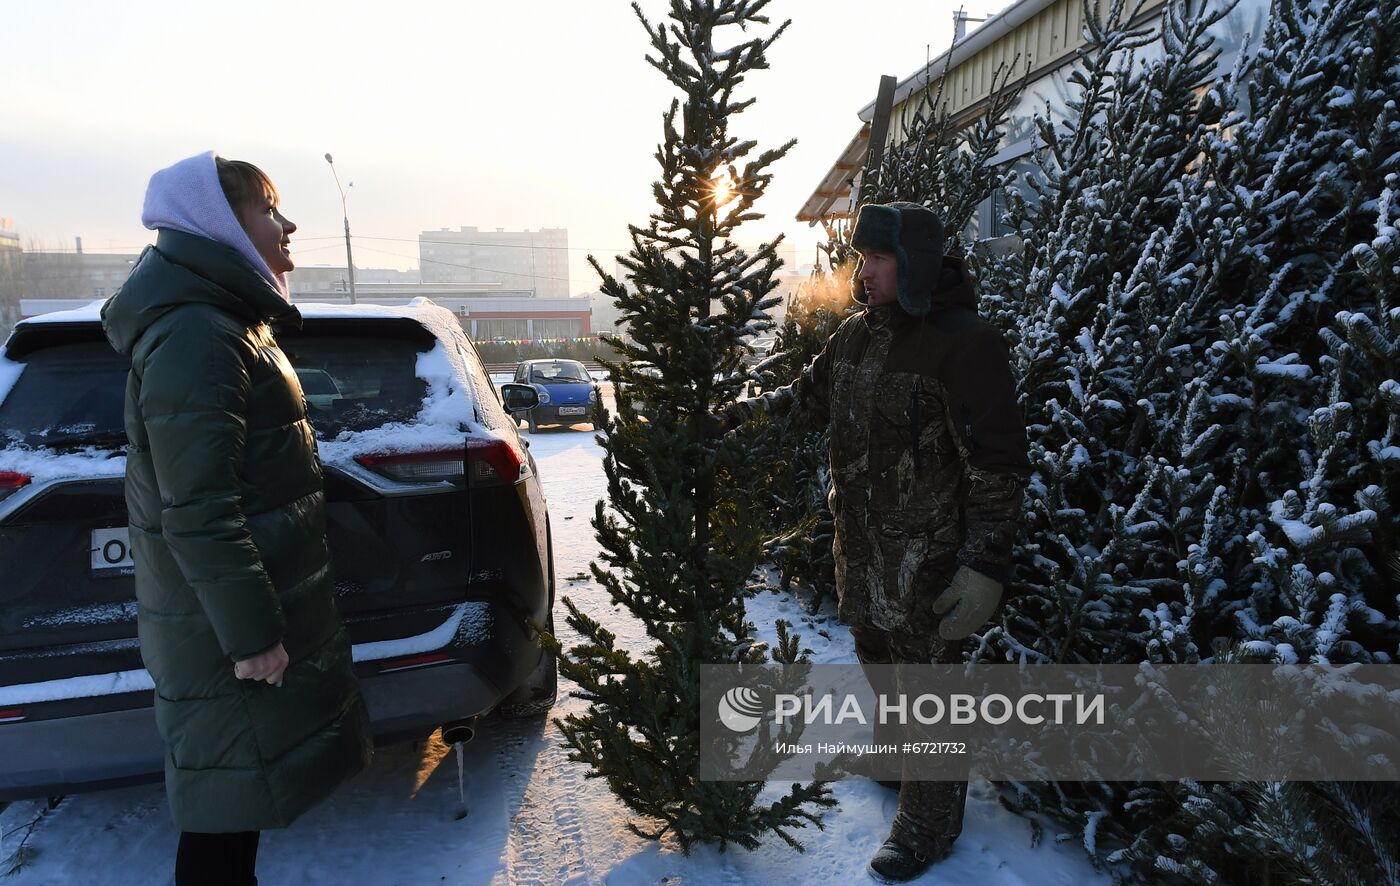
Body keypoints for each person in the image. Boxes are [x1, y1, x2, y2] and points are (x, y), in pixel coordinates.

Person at [718, 201, 1030, 882]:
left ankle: (928, 826)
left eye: (879, 260)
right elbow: (803, 398)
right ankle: (896, 761)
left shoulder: (963, 343)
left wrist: (984, 566)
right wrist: (733, 420)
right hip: (861, 555)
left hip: (931, 566)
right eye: (862, 259)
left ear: (913, 263)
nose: (865, 273)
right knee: (878, 662)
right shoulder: (856, 337)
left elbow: (997, 467)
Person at [101, 152, 373, 886]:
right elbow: (199, 509)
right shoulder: (198, 334)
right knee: (221, 824)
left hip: (219, 625)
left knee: (233, 810)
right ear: (220, 224)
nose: (287, 224)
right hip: (221, 636)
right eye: (268, 209)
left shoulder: (224, 321)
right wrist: (253, 636)